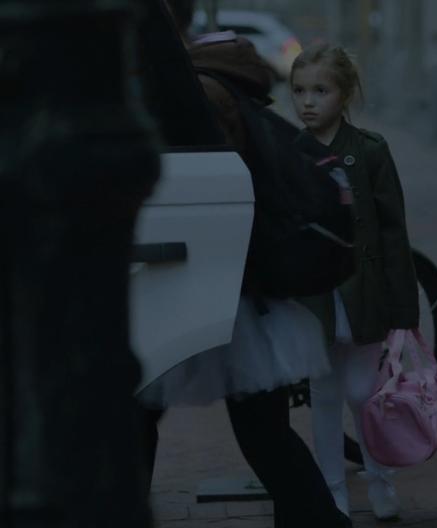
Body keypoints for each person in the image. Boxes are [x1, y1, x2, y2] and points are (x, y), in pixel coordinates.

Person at [139, 2, 351, 527]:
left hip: (226, 289)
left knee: (146, 417)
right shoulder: (215, 85)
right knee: (258, 430)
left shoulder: (200, 93)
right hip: (236, 290)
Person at [289, 43, 420, 521]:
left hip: (363, 292)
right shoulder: (288, 153)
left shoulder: (369, 152)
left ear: (343, 95)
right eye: (299, 91)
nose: (307, 102)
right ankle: (332, 492)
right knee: (323, 395)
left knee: (364, 392)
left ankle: (379, 478)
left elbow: (394, 233)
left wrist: (403, 310)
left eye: (320, 90)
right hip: (314, 298)